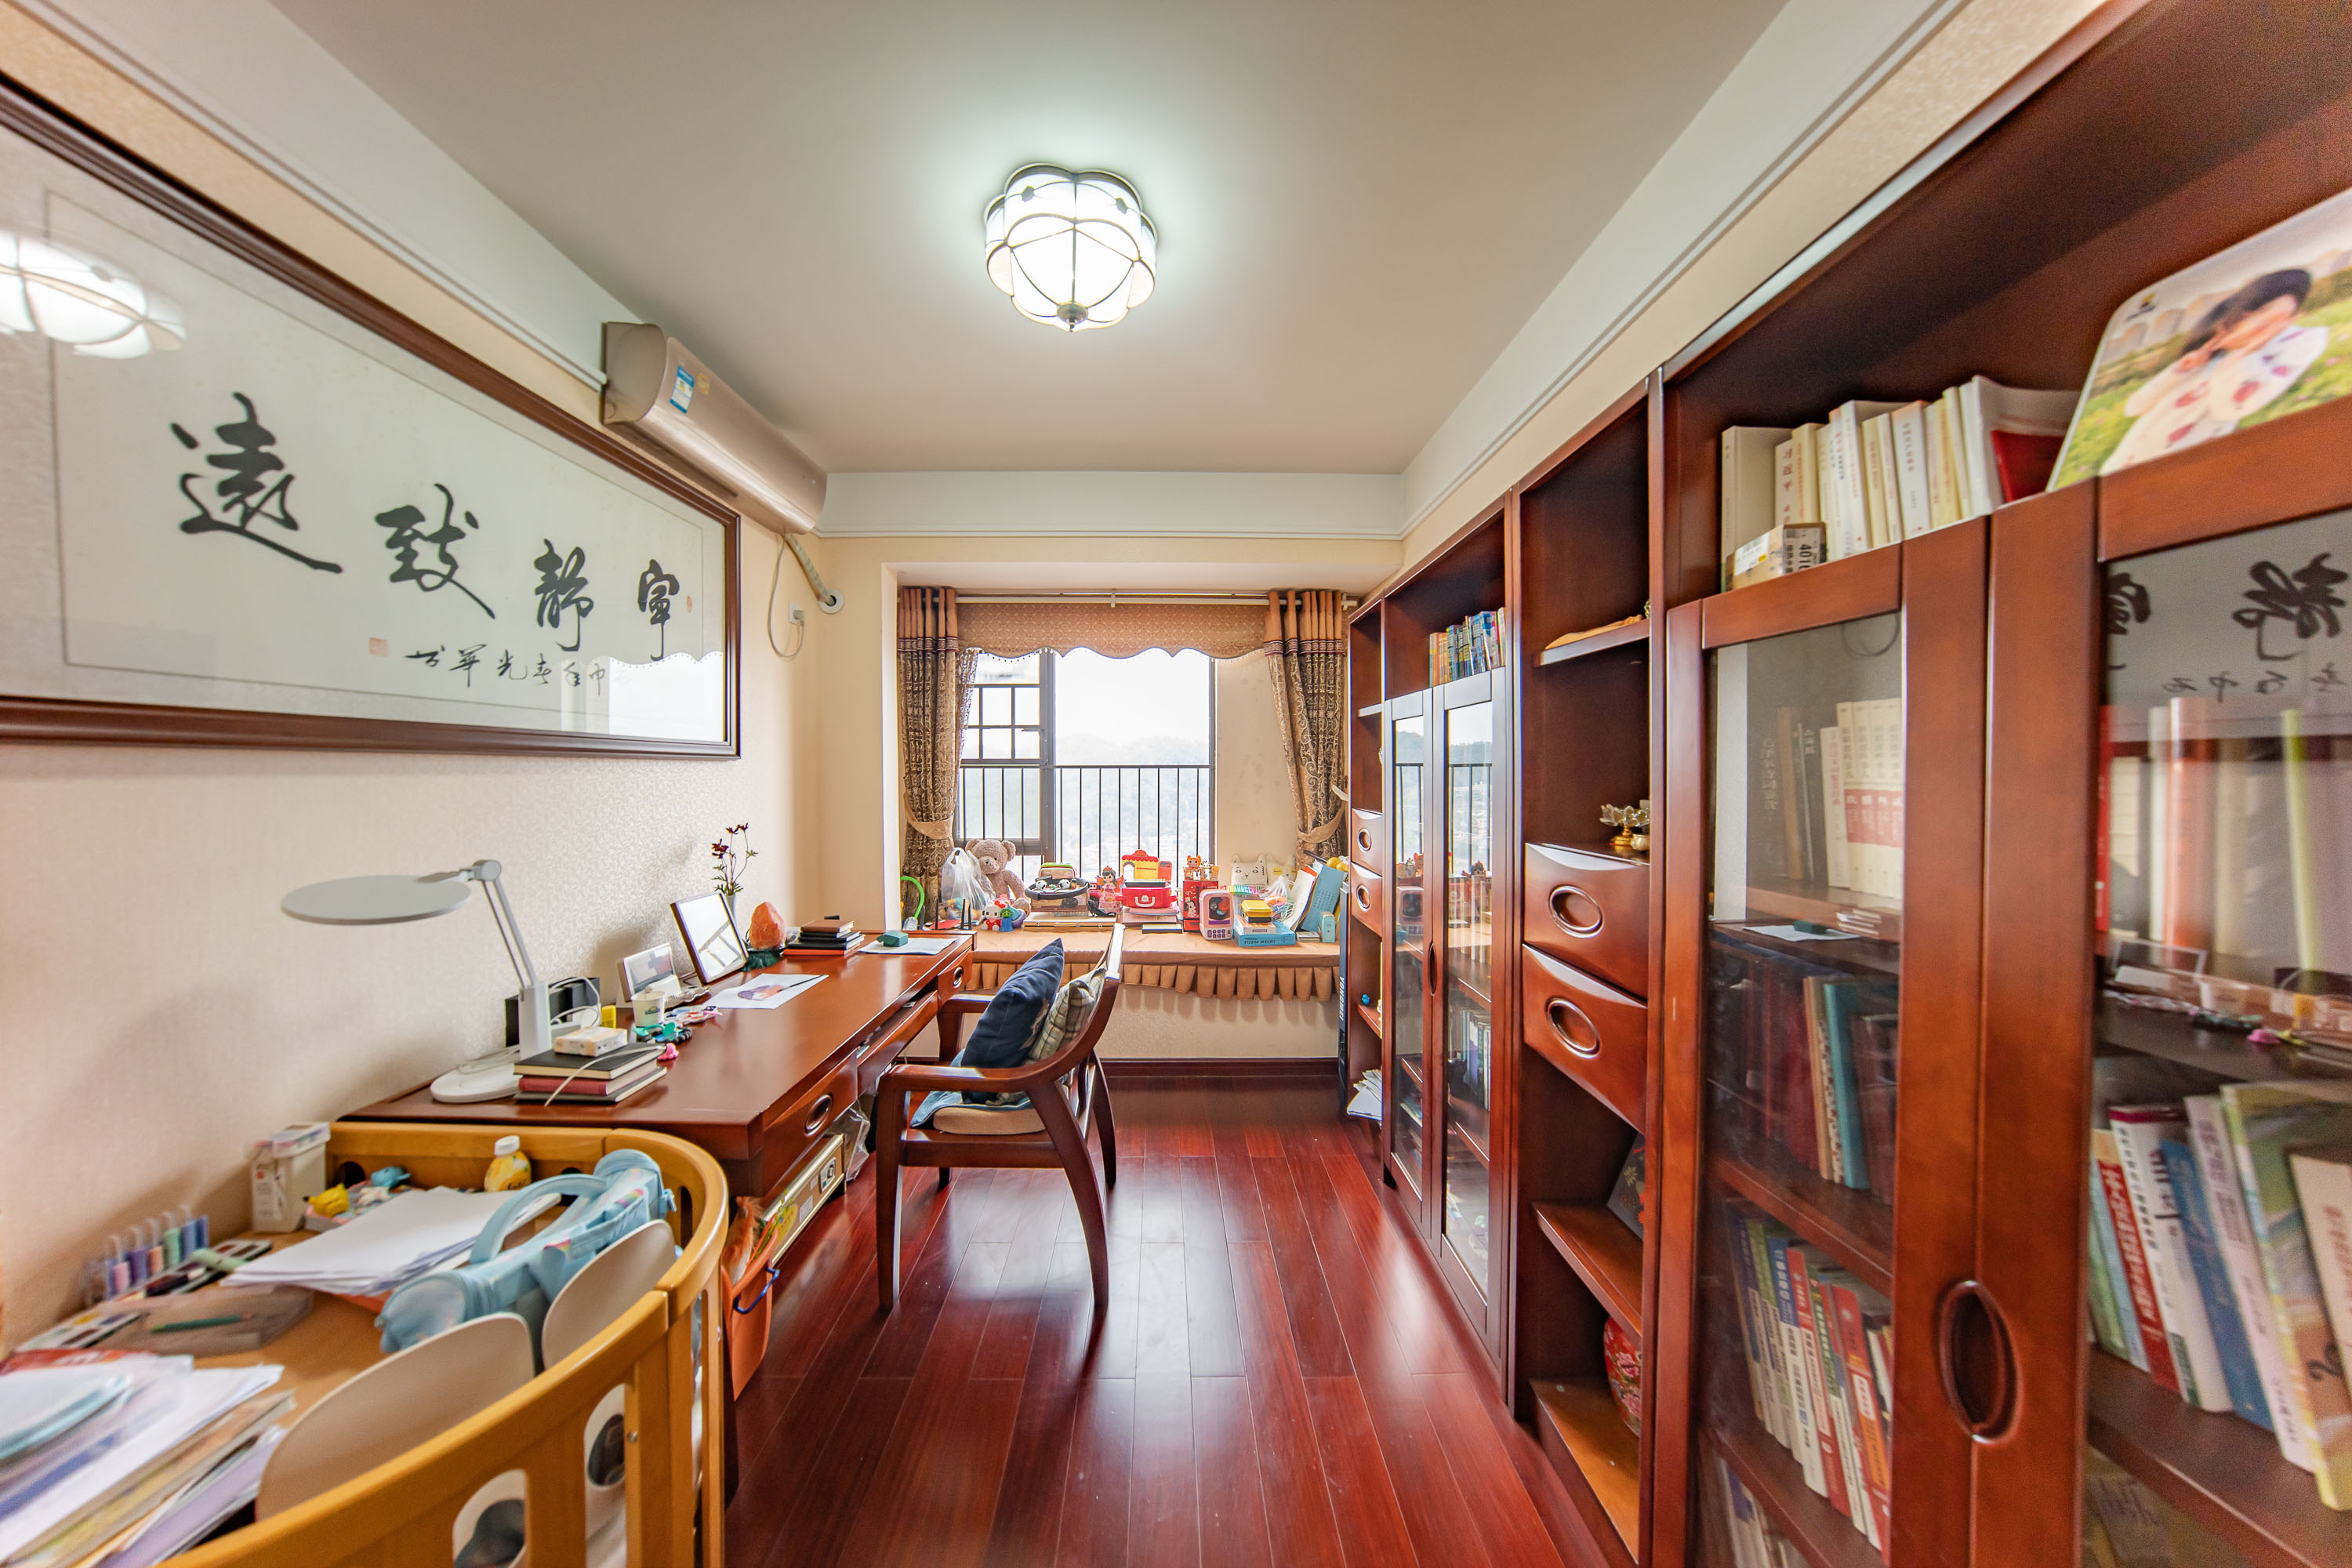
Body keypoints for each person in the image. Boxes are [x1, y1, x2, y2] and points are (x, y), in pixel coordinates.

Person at [2102, 268, 2327, 473]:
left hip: (2179, 473)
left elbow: (2226, 409)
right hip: (2123, 466)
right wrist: (2178, 370)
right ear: (2242, 311)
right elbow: (2134, 407)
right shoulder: (2207, 351)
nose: (2261, 325)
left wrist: (2243, 352)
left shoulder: (2293, 346)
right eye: (2259, 313)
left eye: (2277, 320)